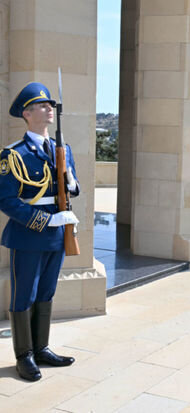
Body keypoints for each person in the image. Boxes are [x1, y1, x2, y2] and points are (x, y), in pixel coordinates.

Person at [0, 82, 80, 381]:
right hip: (30, 234)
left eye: (50, 105)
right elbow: (6, 200)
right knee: (25, 294)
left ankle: (42, 347)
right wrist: (45, 221)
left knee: (47, 292)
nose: (49, 109)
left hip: (59, 234)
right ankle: (24, 355)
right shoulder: (13, 155)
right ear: (27, 113)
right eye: (42, 105)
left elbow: (70, 188)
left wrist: (72, 182)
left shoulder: (62, 148)